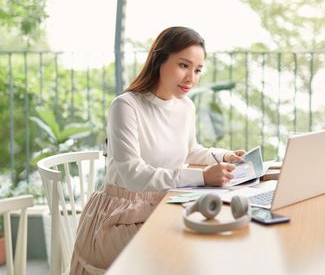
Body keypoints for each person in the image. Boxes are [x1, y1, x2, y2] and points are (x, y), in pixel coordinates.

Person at [70, 26, 245, 274]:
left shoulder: (185, 106)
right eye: (183, 65)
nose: (191, 78)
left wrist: (224, 156)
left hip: (163, 206)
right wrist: (203, 177)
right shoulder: (126, 106)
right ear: (159, 59)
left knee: (214, 240)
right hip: (118, 218)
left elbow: (190, 150)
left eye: (198, 70)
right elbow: (133, 174)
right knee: (183, 254)